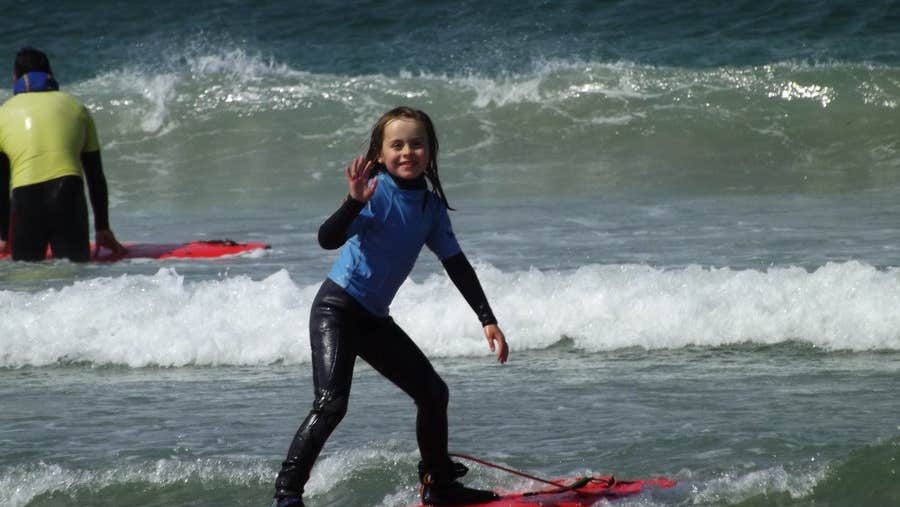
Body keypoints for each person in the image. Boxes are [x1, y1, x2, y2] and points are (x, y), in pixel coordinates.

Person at [273, 106, 509, 507]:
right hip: (338, 309)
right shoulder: (375, 191)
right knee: (332, 404)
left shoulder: (430, 208)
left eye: (417, 144)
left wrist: (488, 319)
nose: (407, 151)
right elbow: (327, 239)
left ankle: (439, 486)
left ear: (430, 151)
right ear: (379, 154)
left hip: (373, 318)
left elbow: (456, 263)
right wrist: (351, 203)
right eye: (396, 144)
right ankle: (287, 494)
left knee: (433, 393)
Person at [0, 47, 125, 261]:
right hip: (68, 194)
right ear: (51, 74)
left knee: (27, 281)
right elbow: (95, 175)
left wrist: (4, 235)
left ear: (15, 78)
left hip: (26, 200)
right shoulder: (76, 108)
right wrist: (102, 227)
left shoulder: (3, 113)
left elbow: (1, 184)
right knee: (76, 278)